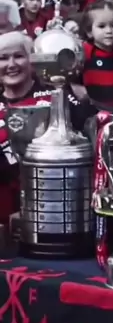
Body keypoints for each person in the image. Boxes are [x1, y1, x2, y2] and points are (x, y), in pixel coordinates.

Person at [0, 31, 97, 226]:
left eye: (18, 56)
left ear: (33, 60)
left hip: (53, 209)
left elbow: (89, 142)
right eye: (3, 58)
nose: (11, 64)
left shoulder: (58, 95)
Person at [77, 0, 113, 111]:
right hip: (92, 111)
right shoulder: (85, 50)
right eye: (102, 26)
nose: (109, 31)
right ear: (89, 31)